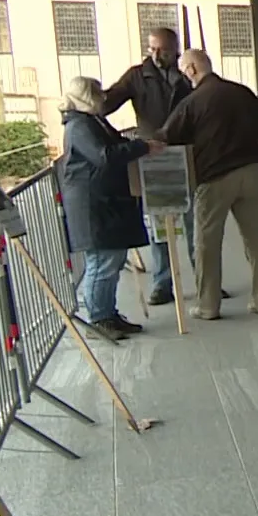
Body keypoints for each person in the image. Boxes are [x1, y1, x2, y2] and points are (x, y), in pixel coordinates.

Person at [157, 49, 258, 320]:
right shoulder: (241, 92)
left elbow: (168, 136)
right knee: (256, 238)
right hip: (253, 171)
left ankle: (208, 305)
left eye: (183, 70)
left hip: (215, 178)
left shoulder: (193, 102)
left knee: (207, 243)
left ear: (191, 69)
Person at [102, 27, 203, 306]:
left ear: (176, 49)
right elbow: (109, 101)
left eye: (164, 50)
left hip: (184, 154)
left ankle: (206, 281)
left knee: (195, 222)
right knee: (160, 225)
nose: (157, 55)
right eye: (152, 49)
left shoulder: (187, 75)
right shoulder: (136, 76)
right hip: (152, 157)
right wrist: (87, 106)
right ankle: (162, 284)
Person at [60, 76, 159, 340]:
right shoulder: (79, 125)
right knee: (102, 262)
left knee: (111, 260)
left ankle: (108, 313)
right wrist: (142, 147)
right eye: (98, 93)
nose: (104, 97)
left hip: (104, 201)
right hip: (93, 205)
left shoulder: (91, 121)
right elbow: (103, 156)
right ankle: (98, 318)